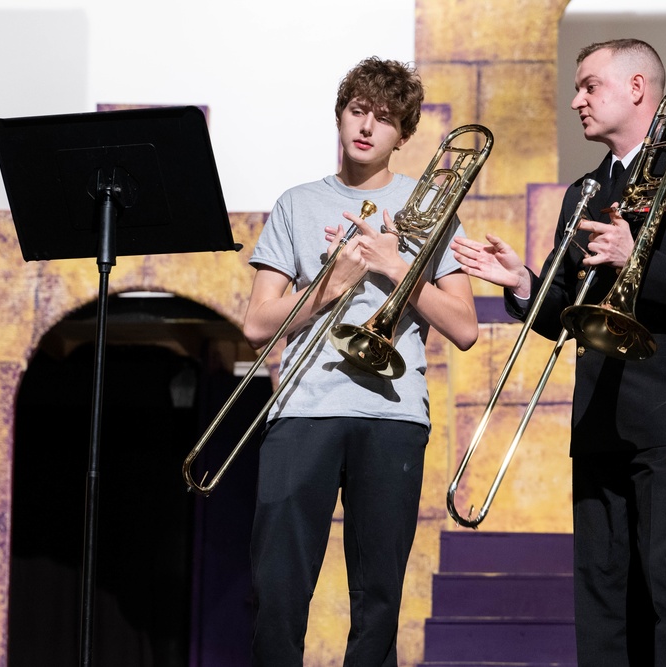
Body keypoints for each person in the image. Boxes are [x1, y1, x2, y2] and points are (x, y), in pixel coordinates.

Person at [451, 39, 666, 666]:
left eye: (590, 86)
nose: (576, 100)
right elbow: (570, 313)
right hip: (598, 418)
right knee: (601, 586)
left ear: (638, 88)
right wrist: (523, 284)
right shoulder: (583, 192)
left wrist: (636, 257)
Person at [243, 56, 478, 666]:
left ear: (404, 134)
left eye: (386, 119)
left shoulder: (429, 206)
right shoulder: (296, 204)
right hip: (301, 410)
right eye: (359, 111)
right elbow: (256, 326)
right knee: (278, 593)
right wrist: (331, 281)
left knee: (378, 601)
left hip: (393, 416)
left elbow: (464, 327)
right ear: (341, 115)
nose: (368, 127)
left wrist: (395, 264)